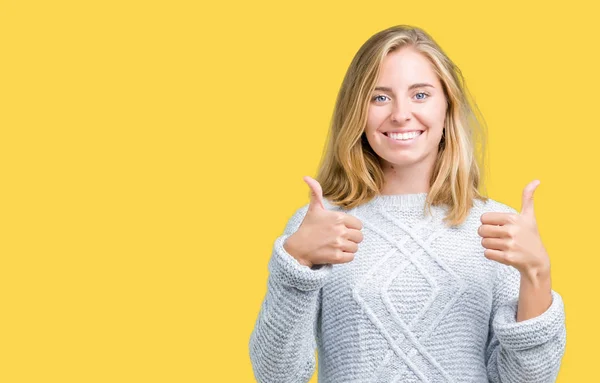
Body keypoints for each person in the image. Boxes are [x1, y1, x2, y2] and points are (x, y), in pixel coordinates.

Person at [248, 25, 566, 383]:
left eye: (420, 95)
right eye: (379, 97)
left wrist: (537, 272)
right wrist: (295, 263)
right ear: (356, 111)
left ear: (447, 105)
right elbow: (277, 377)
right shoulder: (320, 228)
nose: (400, 114)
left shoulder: (497, 228)